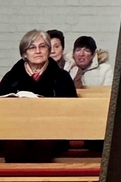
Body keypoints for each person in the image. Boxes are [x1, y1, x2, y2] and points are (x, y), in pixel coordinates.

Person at [0, 30, 76, 162]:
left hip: (52, 131)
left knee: (43, 147)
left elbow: (72, 109)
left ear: (48, 50)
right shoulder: (11, 77)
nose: (38, 51)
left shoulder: (62, 77)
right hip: (17, 130)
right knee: (14, 147)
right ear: (25, 53)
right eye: (32, 48)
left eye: (42, 46)